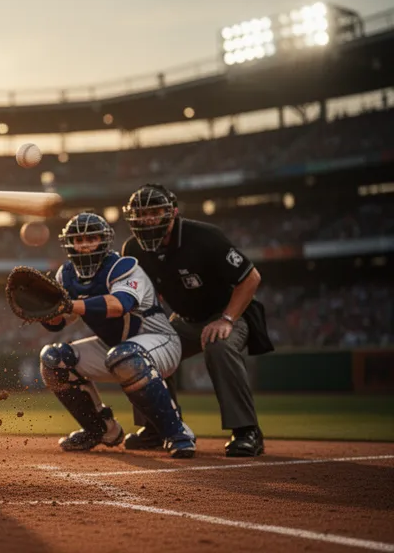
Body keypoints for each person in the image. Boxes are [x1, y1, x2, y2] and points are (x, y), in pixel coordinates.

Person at [121, 183, 273, 457]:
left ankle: (247, 431)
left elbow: (251, 278)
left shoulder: (205, 237)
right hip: (185, 319)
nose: (147, 220)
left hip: (228, 314)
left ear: (173, 212)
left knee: (219, 345)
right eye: (141, 214)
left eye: (154, 212)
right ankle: (159, 427)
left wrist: (226, 319)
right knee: (141, 351)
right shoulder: (133, 248)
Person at [36, 212, 196, 458]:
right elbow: (60, 322)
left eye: (93, 237)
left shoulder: (124, 267)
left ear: (104, 240)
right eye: (79, 240)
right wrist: (45, 312)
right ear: (70, 244)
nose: (86, 244)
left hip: (158, 339)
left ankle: (177, 433)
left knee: (126, 357)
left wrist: (68, 305)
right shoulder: (66, 275)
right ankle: (100, 429)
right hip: (115, 348)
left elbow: (119, 304)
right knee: (53, 359)